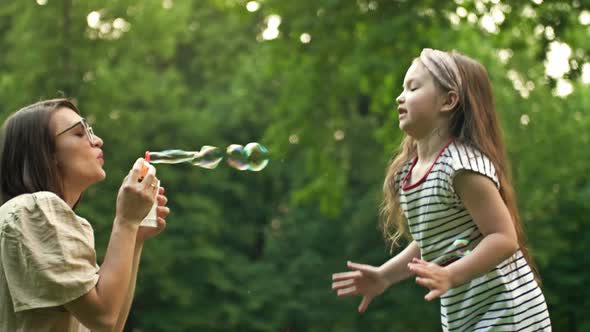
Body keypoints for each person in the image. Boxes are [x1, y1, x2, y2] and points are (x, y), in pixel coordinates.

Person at [332, 49, 551, 331]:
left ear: (448, 101)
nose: (400, 96)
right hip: (465, 317)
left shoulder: (461, 166)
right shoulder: (409, 173)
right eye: (403, 88)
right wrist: (384, 276)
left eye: (413, 87)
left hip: (508, 313)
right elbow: (431, 240)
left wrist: (450, 275)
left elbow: (503, 237)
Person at [0, 98, 170, 331]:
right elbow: (104, 318)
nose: (97, 140)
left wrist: (136, 237)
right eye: (80, 134)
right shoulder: (34, 209)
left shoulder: (42, 218)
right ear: (47, 153)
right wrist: (126, 221)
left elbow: (110, 326)